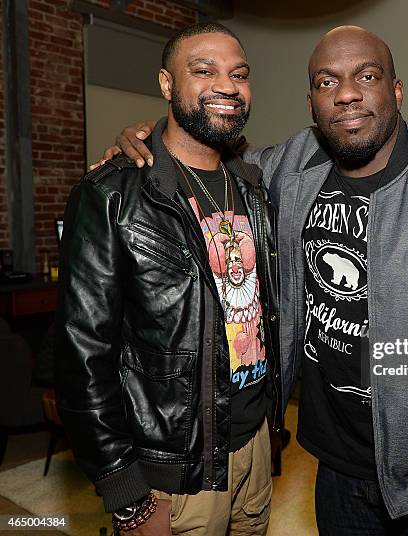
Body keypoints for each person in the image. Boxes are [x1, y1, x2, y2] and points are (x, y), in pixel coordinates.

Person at [102, 25, 408, 535]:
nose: (348, 93)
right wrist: (146, 142)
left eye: (368, 76)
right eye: (327, 81)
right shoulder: (286, 170)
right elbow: (199, 154)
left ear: (397, 91)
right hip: (334, 469)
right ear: (312, 103)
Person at [55, 22, 281, 536]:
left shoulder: (253, 187)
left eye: (239, 74)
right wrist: (123, 487)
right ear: (166, 83)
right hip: (173, 472)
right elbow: (82, 353)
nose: (227, 85)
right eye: (203, 71)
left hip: (254, 448)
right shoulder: (112, 194)